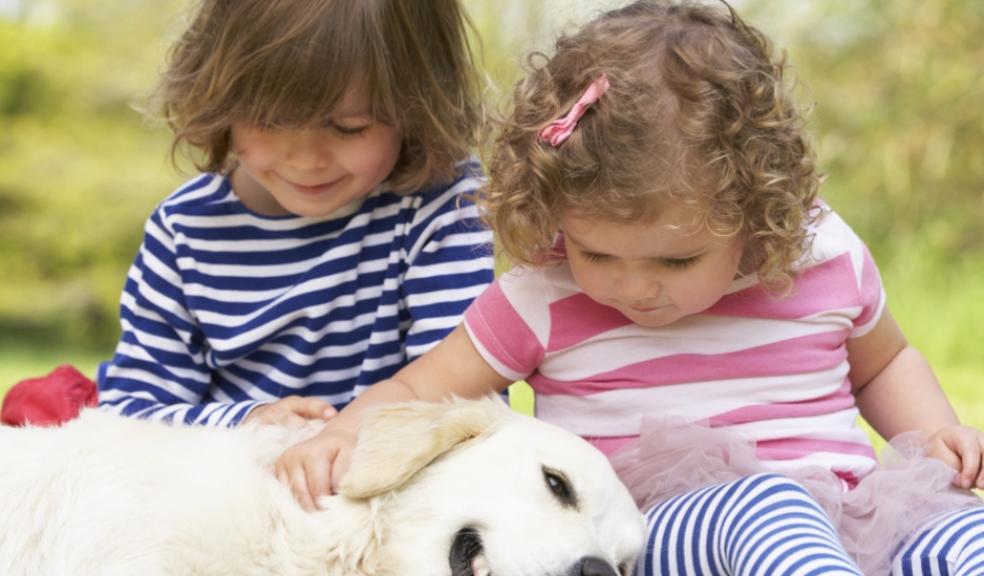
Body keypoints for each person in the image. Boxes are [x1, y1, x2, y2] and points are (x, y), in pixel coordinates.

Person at [277, 1, 984, 573]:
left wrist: (933, 434)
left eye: (677, 262)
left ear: (755, 215)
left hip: (857, 516)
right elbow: (421, 387)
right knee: (769, 507)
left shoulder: (822, 256)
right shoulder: (543, 294)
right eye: (597, 253)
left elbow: (884, 363)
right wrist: (344, 433)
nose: (634, 287)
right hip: (661, 532)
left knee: (962, 531)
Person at [2, 0, 494, 430]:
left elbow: (460, 395)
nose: (307, 160)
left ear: (418, 104)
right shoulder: (185, 231)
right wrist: (249, 424)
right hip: (232, 485)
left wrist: (341, 440)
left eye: (348, 128)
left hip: (385, 478)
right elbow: (133, 412)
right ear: (221, 99)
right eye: (271, 122)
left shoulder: (440, 203)